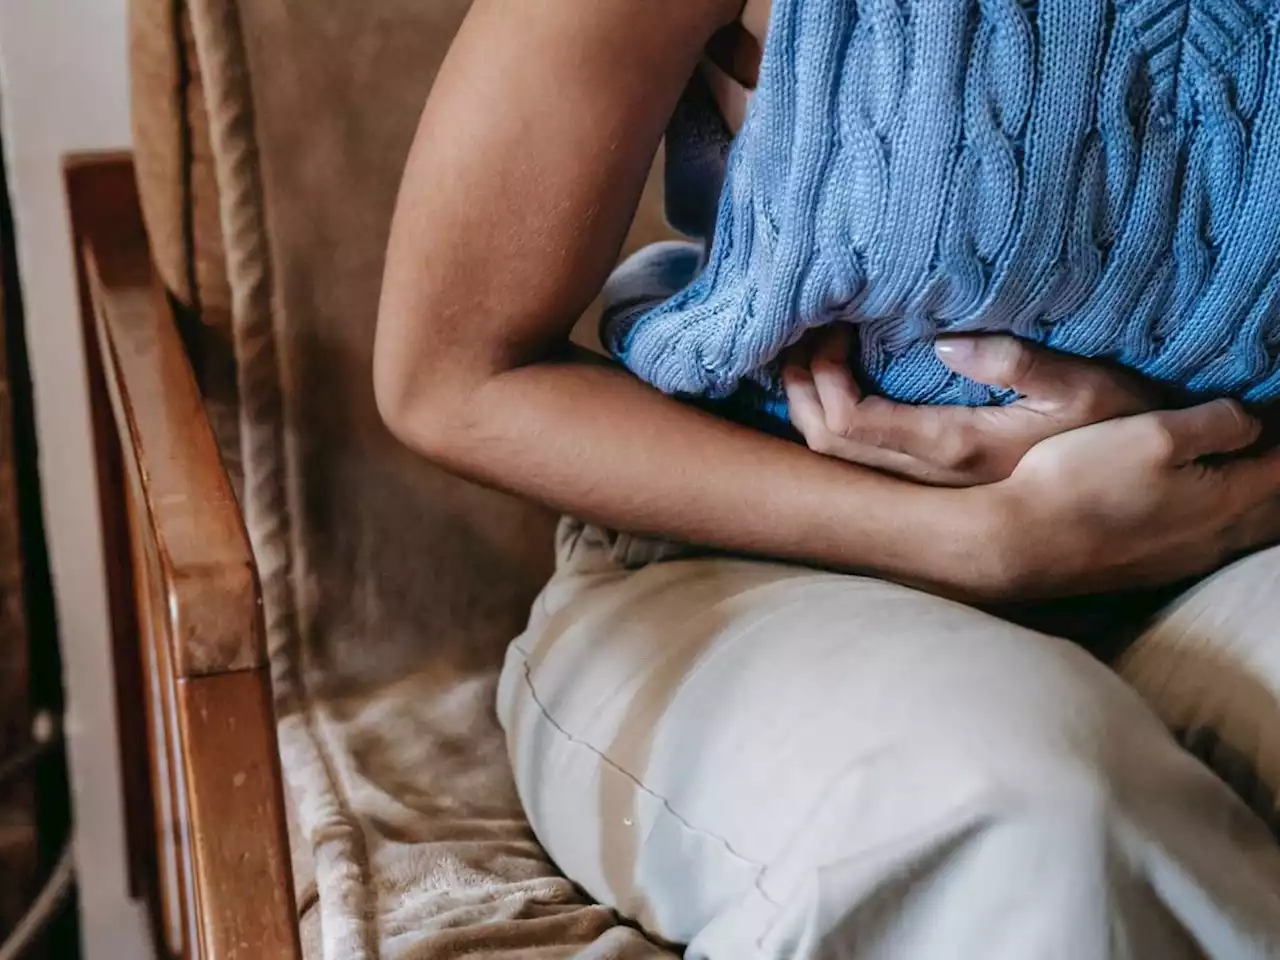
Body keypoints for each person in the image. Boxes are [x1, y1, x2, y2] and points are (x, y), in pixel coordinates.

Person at [373, 1, 1280, 957]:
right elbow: (452, 378)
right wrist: (974, 542)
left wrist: (1193, 442)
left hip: (1229, 537)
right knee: (1029, 807)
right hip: (754, 567)